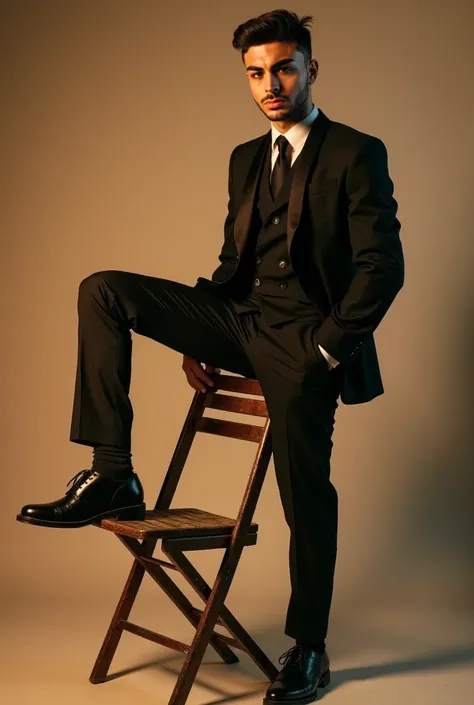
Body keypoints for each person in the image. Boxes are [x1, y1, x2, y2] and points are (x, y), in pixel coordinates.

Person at [16, 8, 404, 703]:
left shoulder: (355, 152)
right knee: (102, 290)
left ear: (312, 68)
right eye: (256, 73)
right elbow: (235, 263)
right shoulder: (244, 158)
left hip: (305, 339)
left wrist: (325, 349)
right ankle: (113, 472)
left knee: (304, 491)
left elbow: (383, 266)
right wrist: (200, 336)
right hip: (243, 317)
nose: (270, 84)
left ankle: (309, 646)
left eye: (284, 67)